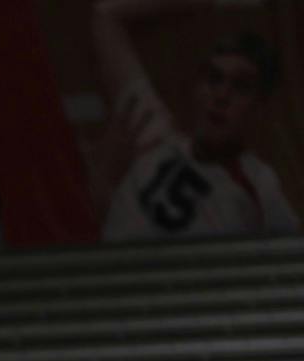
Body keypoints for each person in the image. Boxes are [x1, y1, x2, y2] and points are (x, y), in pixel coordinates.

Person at [94, 1, 299, 243]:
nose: (221, 96)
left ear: (259, 108)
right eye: (214, 79)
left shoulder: (260, 185)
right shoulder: (153, 133)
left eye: (241, 86)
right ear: (196, 88)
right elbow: (105, 17)